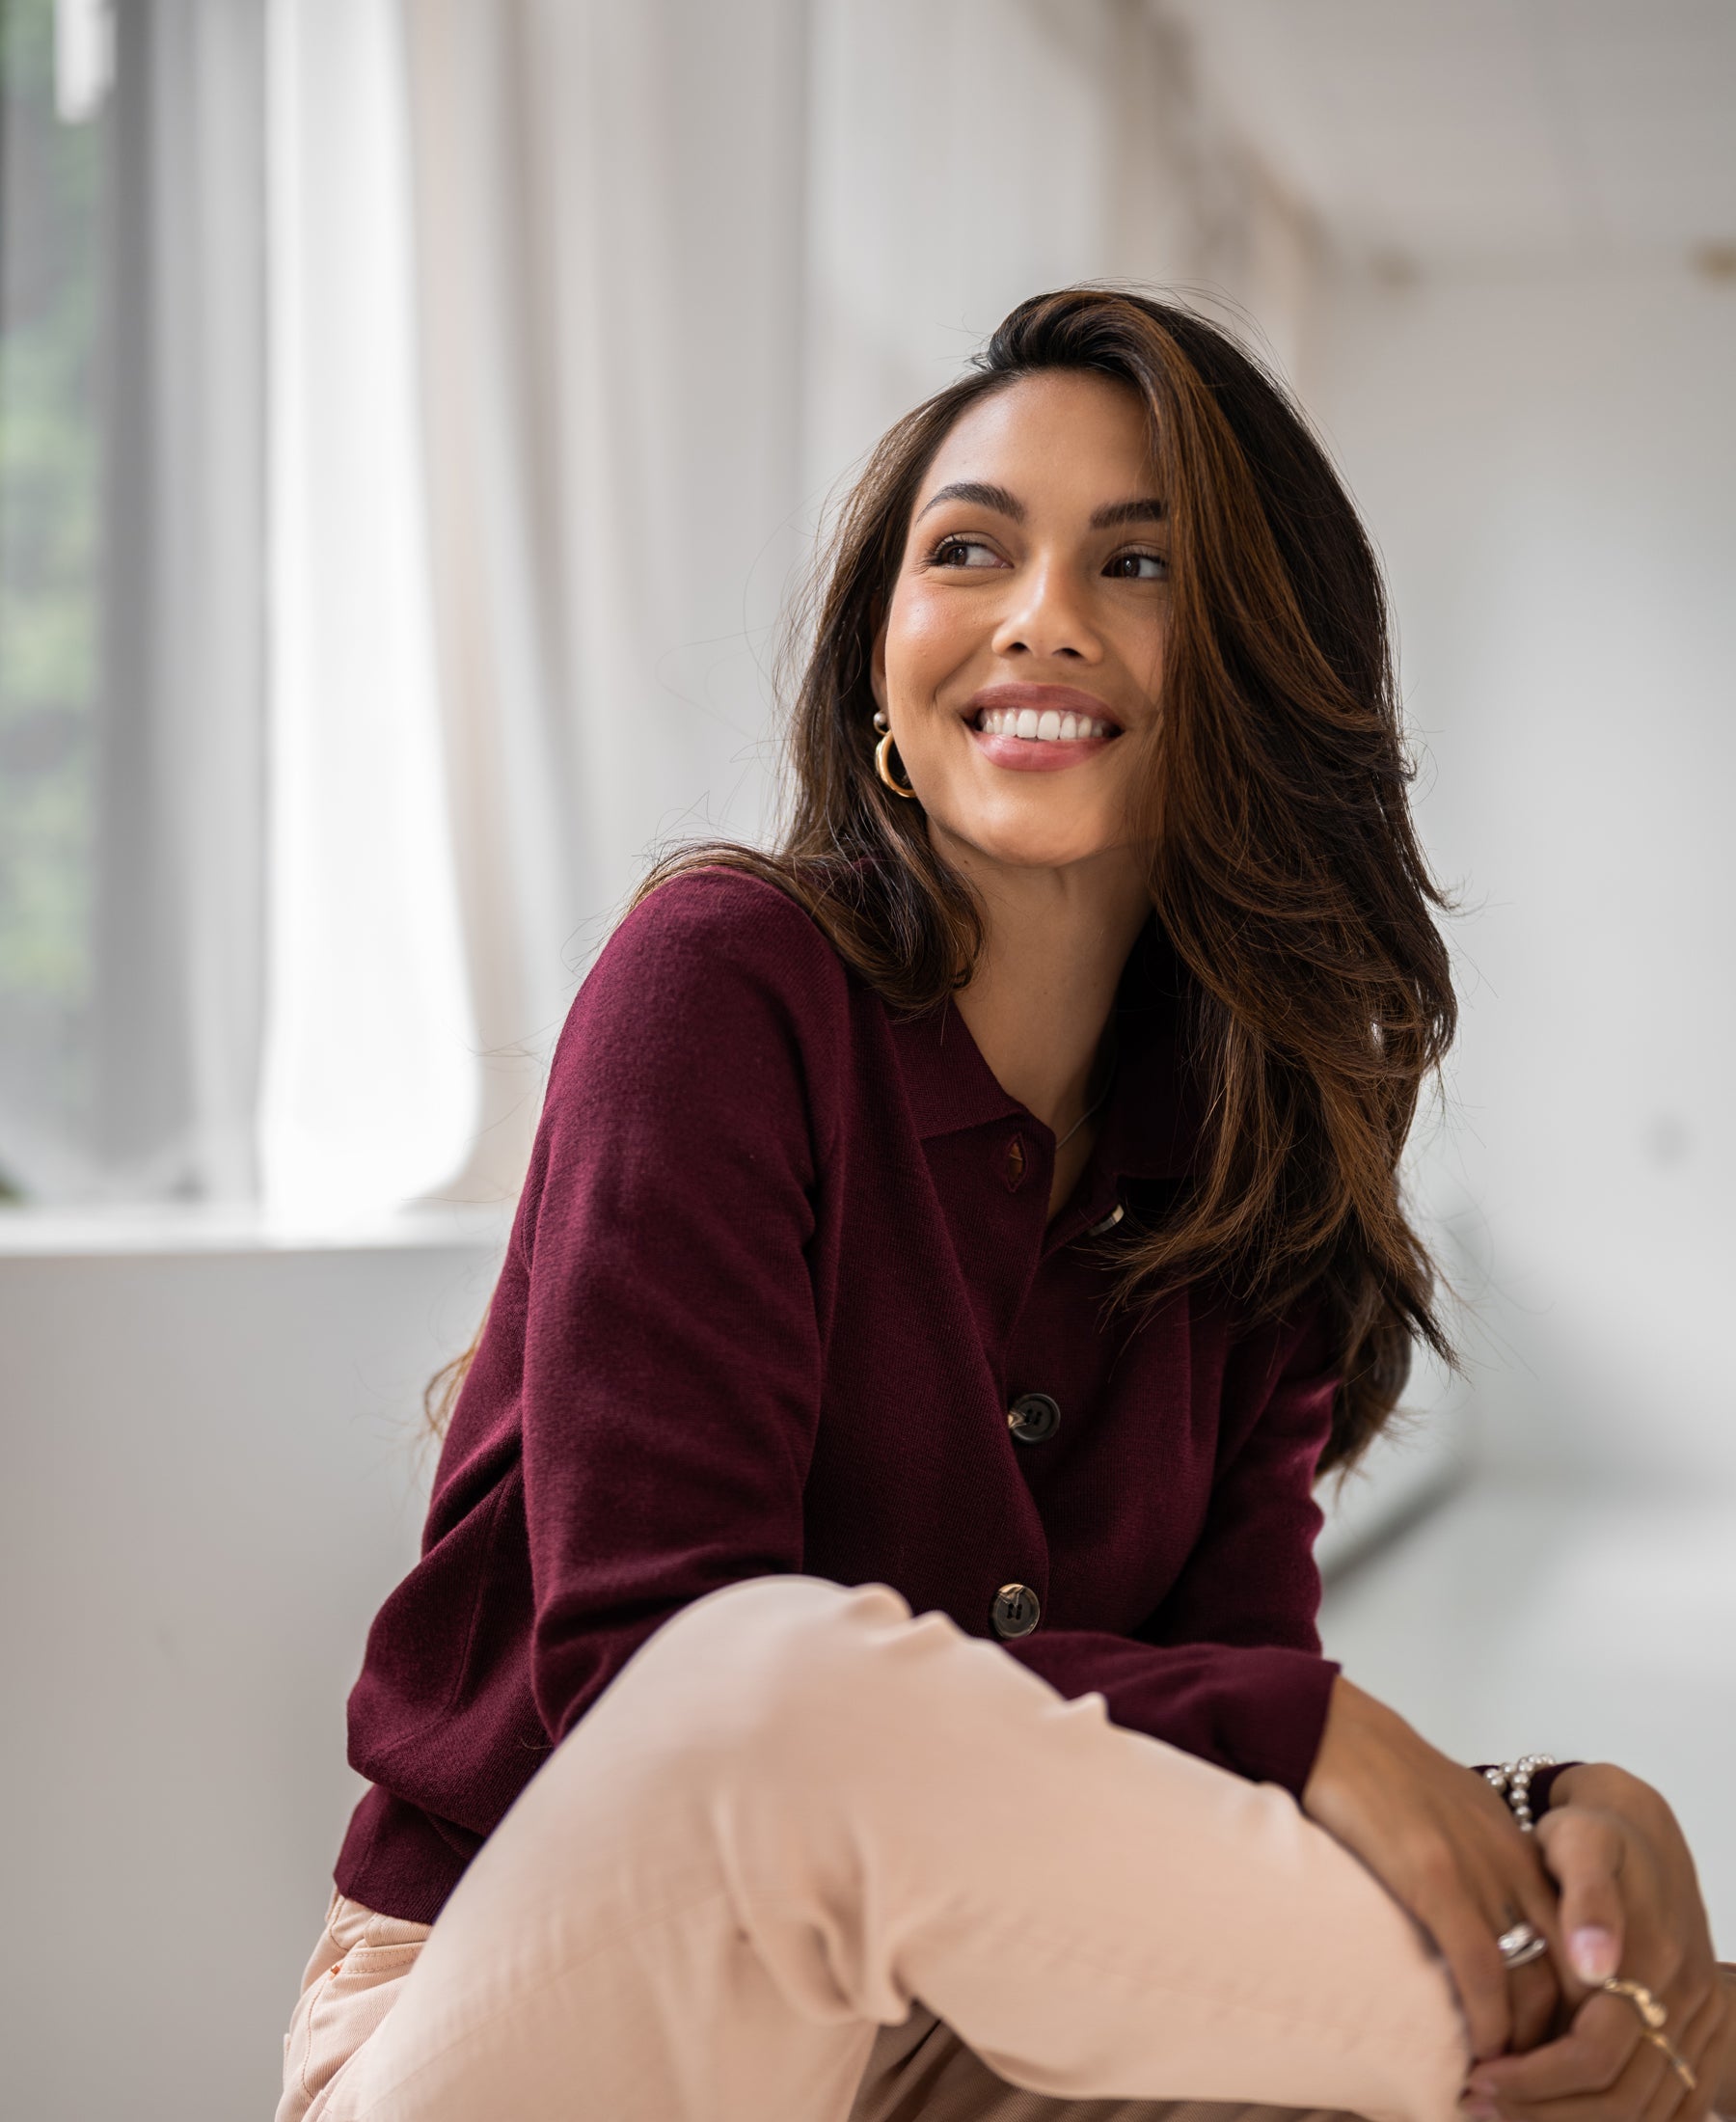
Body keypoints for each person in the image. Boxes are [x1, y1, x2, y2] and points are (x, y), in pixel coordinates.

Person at [275, 288, 1732, 2122]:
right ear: (884, 654)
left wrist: (1545, 1831)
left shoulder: (1247, 1155)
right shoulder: (722, 985)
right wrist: (1306, 1752)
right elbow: (664, 1680)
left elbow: (1211, 1790)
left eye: (1140, 566)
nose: (1042, 614)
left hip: (965, 2039)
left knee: (1534, 1999)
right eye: (970, 549)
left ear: (1259, 675)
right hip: (550, 2014)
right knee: (762, 1680)